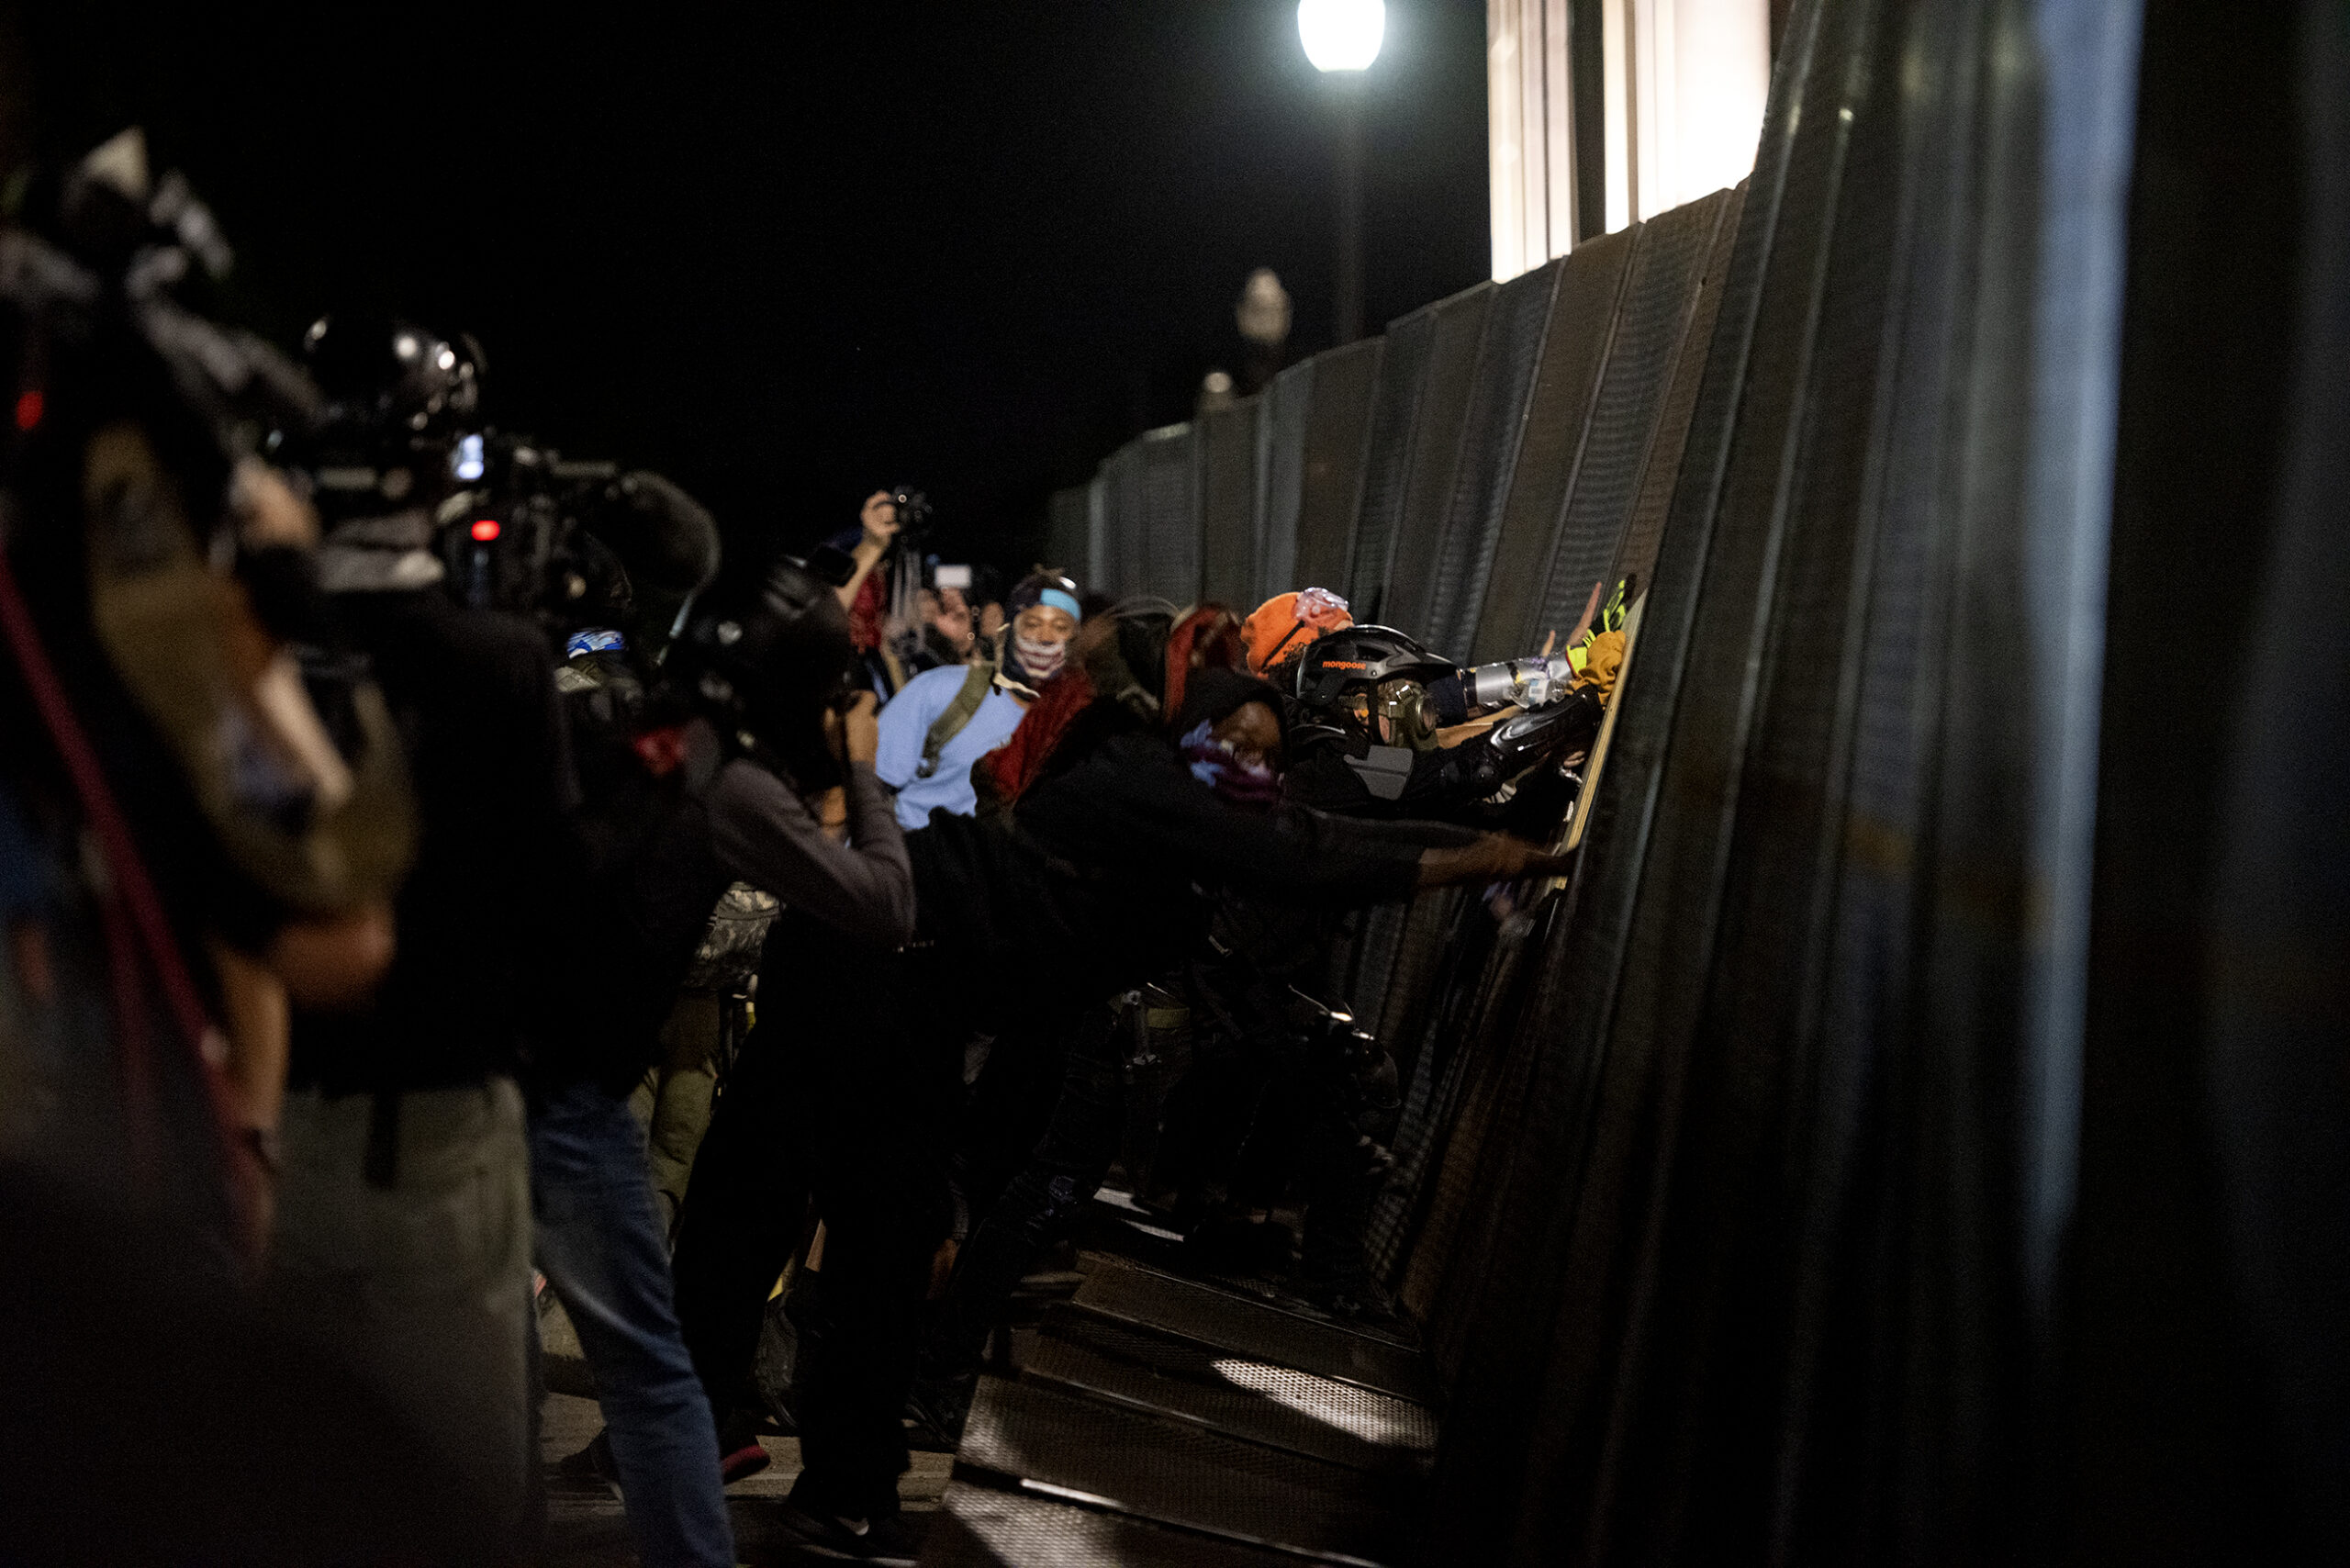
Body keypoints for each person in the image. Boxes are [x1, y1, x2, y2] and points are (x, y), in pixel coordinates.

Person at [873, 568, 1083, 830]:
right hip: (918, 858)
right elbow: (869, 784)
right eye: (1032, 624)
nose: (1045, 638)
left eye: (1060, 627)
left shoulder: (1082, 723)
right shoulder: (943, 689)